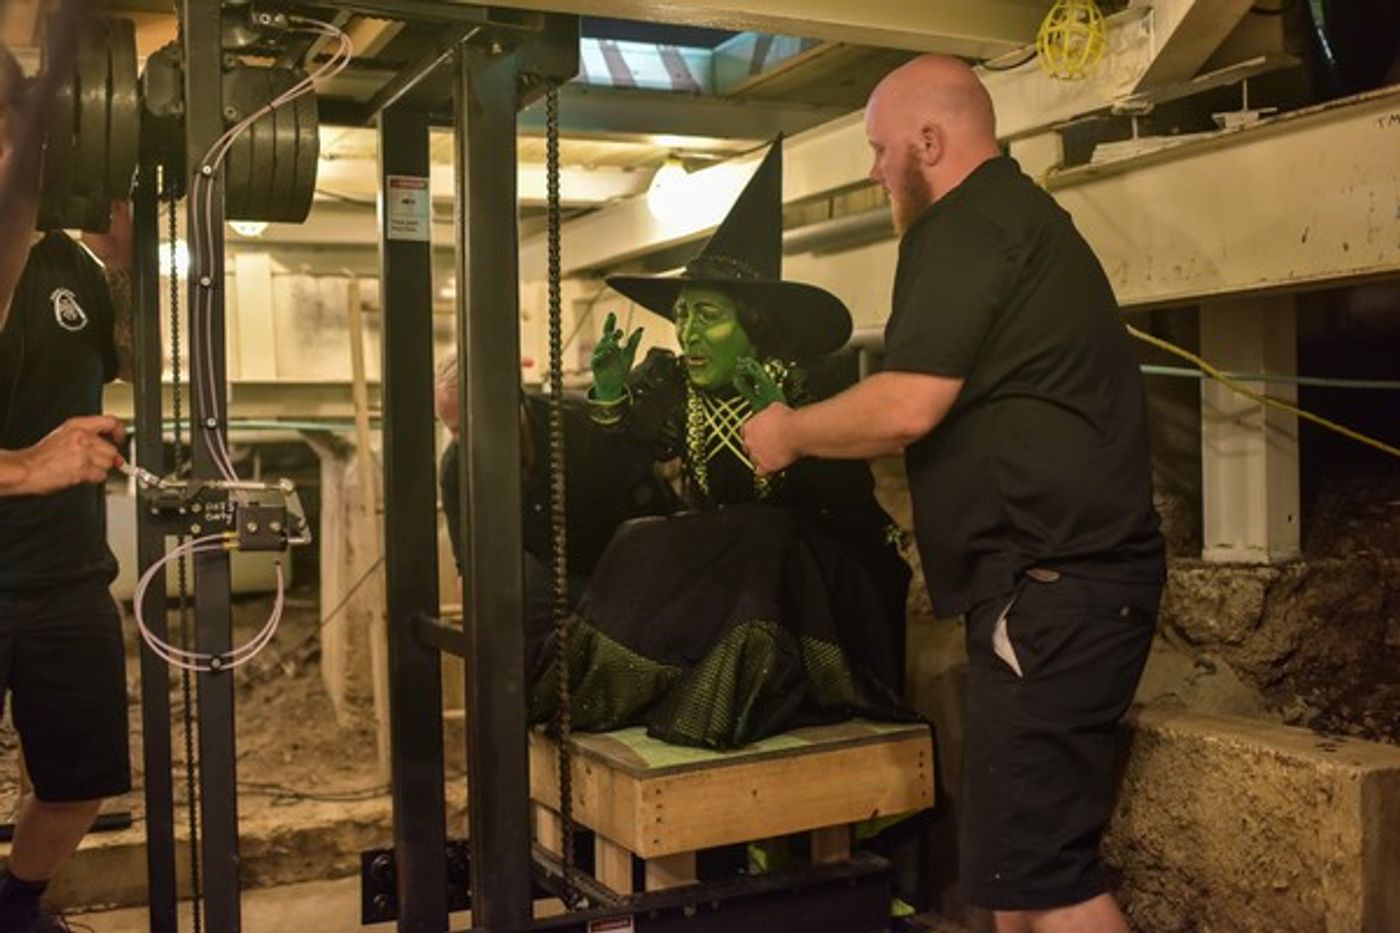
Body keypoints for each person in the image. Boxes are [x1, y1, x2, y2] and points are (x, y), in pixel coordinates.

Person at [742, 56, 1165, 933]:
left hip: (1052, 591)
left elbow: (908, 404)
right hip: (1052, 592)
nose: (874, 171)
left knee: (1049, 881)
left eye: (880, 149)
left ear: (929, 143)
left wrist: (789, 431)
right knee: (1012, 876)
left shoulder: (964, 224)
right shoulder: (1012, 219)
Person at [529, 140, 913, 751]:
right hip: (742, 569)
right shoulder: (676, 385)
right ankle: (617, 685)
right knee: (640, 536)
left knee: (762, 533)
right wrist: (609, 395)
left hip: (825, 581)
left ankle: (738, 691)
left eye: (708, 315)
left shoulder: (809, 384)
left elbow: (842, 500)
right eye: (683, 316)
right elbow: (628, 450)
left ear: (753, 324)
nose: (688, 333)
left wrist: (793, 431)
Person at [0, 45, 136, 932]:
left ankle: (16, 903)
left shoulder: (72, 266)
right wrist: (24, 466)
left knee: (81, 783)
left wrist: (125, 252)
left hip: (68, 580)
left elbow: (139, 359)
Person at [434, 353, 676, 667]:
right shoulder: (457, 471)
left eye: (466, 427)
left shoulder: (580, 427)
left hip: (626, 560)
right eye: (452, 431)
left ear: (510, 402)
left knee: (630, 660)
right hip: (549, 569)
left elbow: (652, 512)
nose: (460, 442)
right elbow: (469, 570)